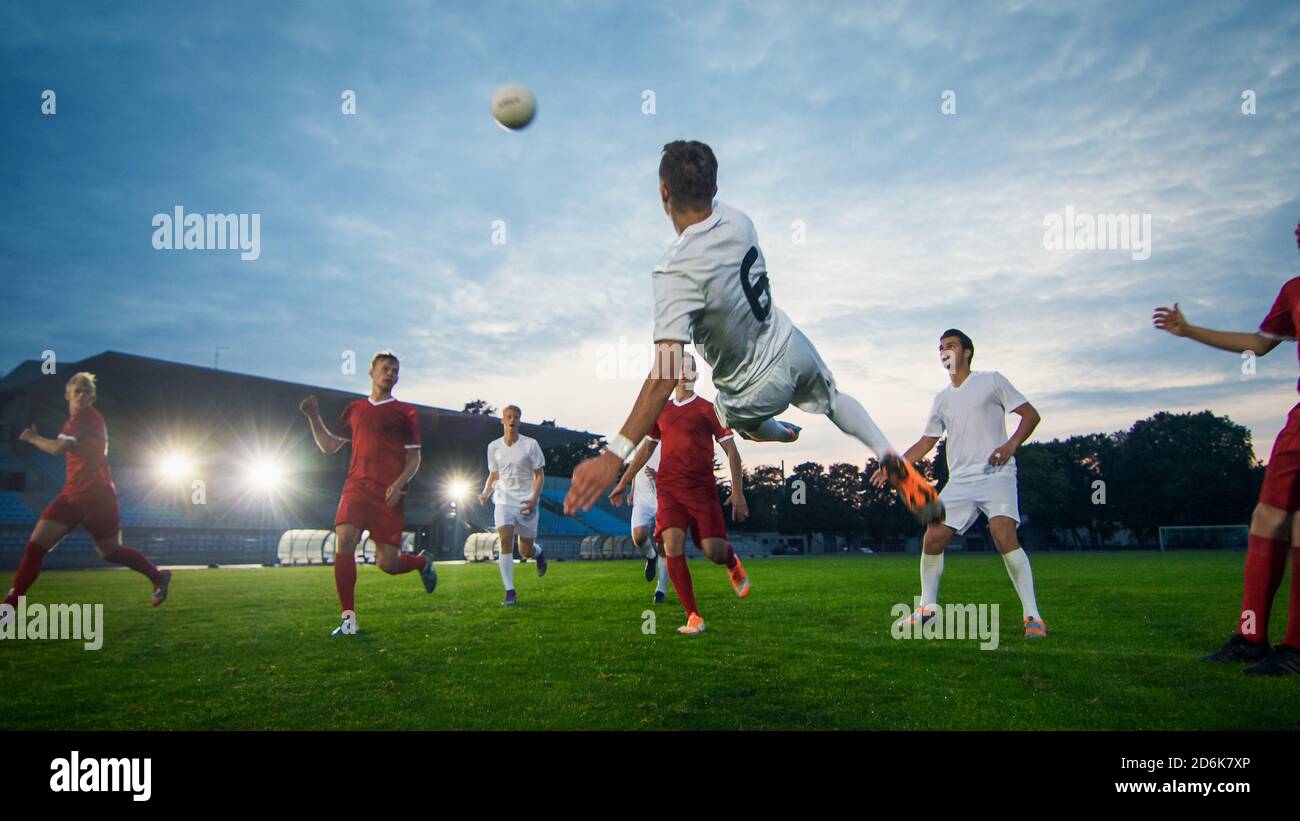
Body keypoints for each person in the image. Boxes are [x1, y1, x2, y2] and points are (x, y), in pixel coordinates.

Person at [565, 140, 941, 526]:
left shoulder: (674, 271)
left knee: (743, 426)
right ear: (714, 188)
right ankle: (885, 452)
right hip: (791, 344)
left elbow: (665, 374)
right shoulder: (740, 221)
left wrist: (612, 457)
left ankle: (780, 433)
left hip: (748, 390)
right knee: (833, 400)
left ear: (664, 192)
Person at [1151, 219, 1300, 675]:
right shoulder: (1294, 291)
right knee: (1268, 518)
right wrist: (1190, 330)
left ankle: (1295, 648)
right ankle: (1251, 637)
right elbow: (1258, 343)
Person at [873, 330, 1045, 638]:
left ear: (966, 352)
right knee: (933, 538)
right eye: (940, 348)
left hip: (997, 473)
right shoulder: (942, 399)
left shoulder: (991, 380)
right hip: (961, 481)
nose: (944, 351)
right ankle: (926, 610)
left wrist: (1010, 445)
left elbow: (1031, 415)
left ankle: (1032, 617)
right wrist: (896, 467)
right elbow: (927, 442)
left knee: (1002, 534)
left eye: (951, 346)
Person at [3, 372, 171, 621]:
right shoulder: (81, 421)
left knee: (110, 552)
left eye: (86, 391)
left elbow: (59, 449)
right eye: (77, 390)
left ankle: (158, 576)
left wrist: (32, 437)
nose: (81, 395)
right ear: (67, 394)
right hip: (73, 496)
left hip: (97, 498)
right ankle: (9, 609)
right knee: (35, 548)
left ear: (93, 397)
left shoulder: (85, 418)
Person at [300, 350, 437, 636]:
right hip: (356, 488)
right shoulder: (354, 410)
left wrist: (399, 484)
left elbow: (414, 459)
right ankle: (348, 619)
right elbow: (328, 445)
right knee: (345, 540)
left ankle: (422, 562)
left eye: (395, 371)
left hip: (389, 494)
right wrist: (313, 415)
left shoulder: (405, 413)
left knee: (388, 563)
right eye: (386, 368)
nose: (391, 374)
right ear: (371, 372)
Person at [479, 405, 547, 606]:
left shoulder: (530, 445)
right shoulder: (494, 447)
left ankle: (538, 553)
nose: (512, 420)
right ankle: (510, 591)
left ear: (520, 421)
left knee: (525, 550)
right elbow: (493, 475)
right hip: (503, 500)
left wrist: (534, 498)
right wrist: (485, 492)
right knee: (505, 541)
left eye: (516, 417)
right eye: (508, 417)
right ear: (502, 420)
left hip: (526, 501)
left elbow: (539, 475)